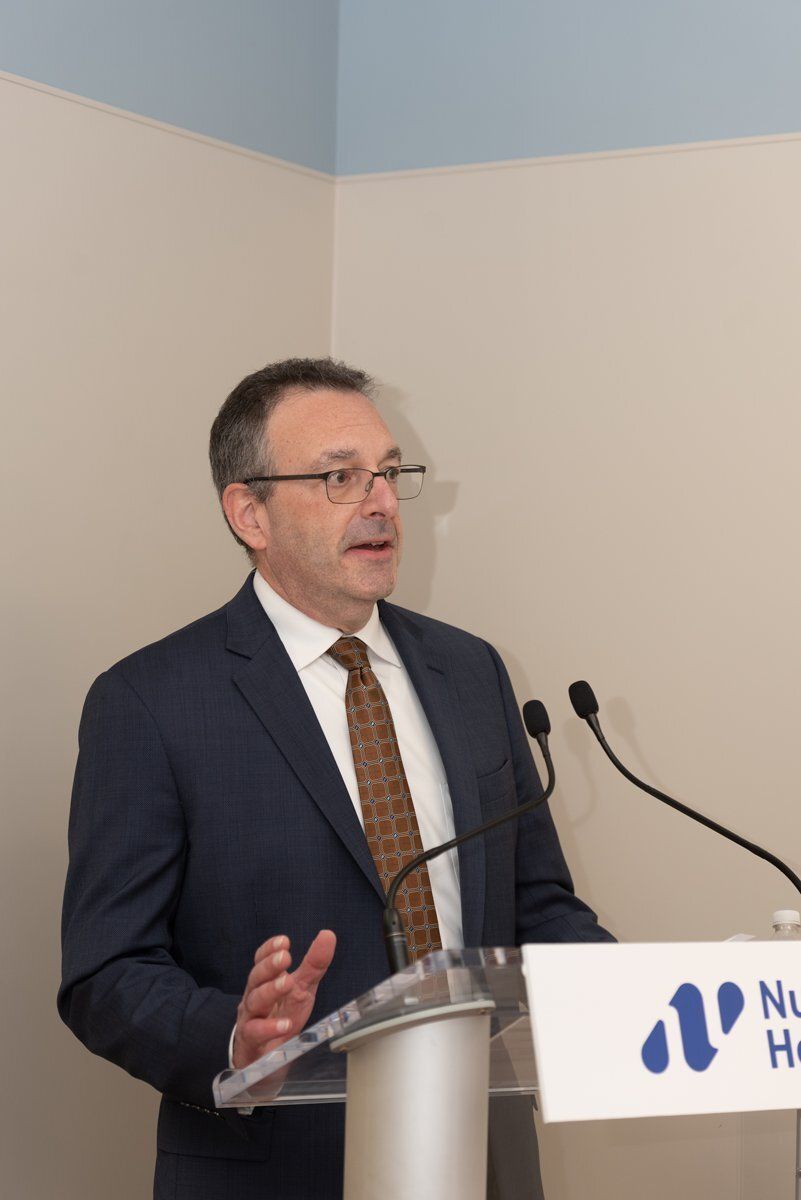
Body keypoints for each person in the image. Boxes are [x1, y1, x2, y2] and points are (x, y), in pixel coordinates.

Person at [59, 357, 613, 1199]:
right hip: (279, 1166)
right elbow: (107, 973)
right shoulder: (151, 701)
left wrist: (625, 996)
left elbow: (535, 903)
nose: (381, 501)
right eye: (339, 477)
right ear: (249, 512)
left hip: (485, 1156)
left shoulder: (470, 670)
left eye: (389, 473)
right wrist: (237, 1039)